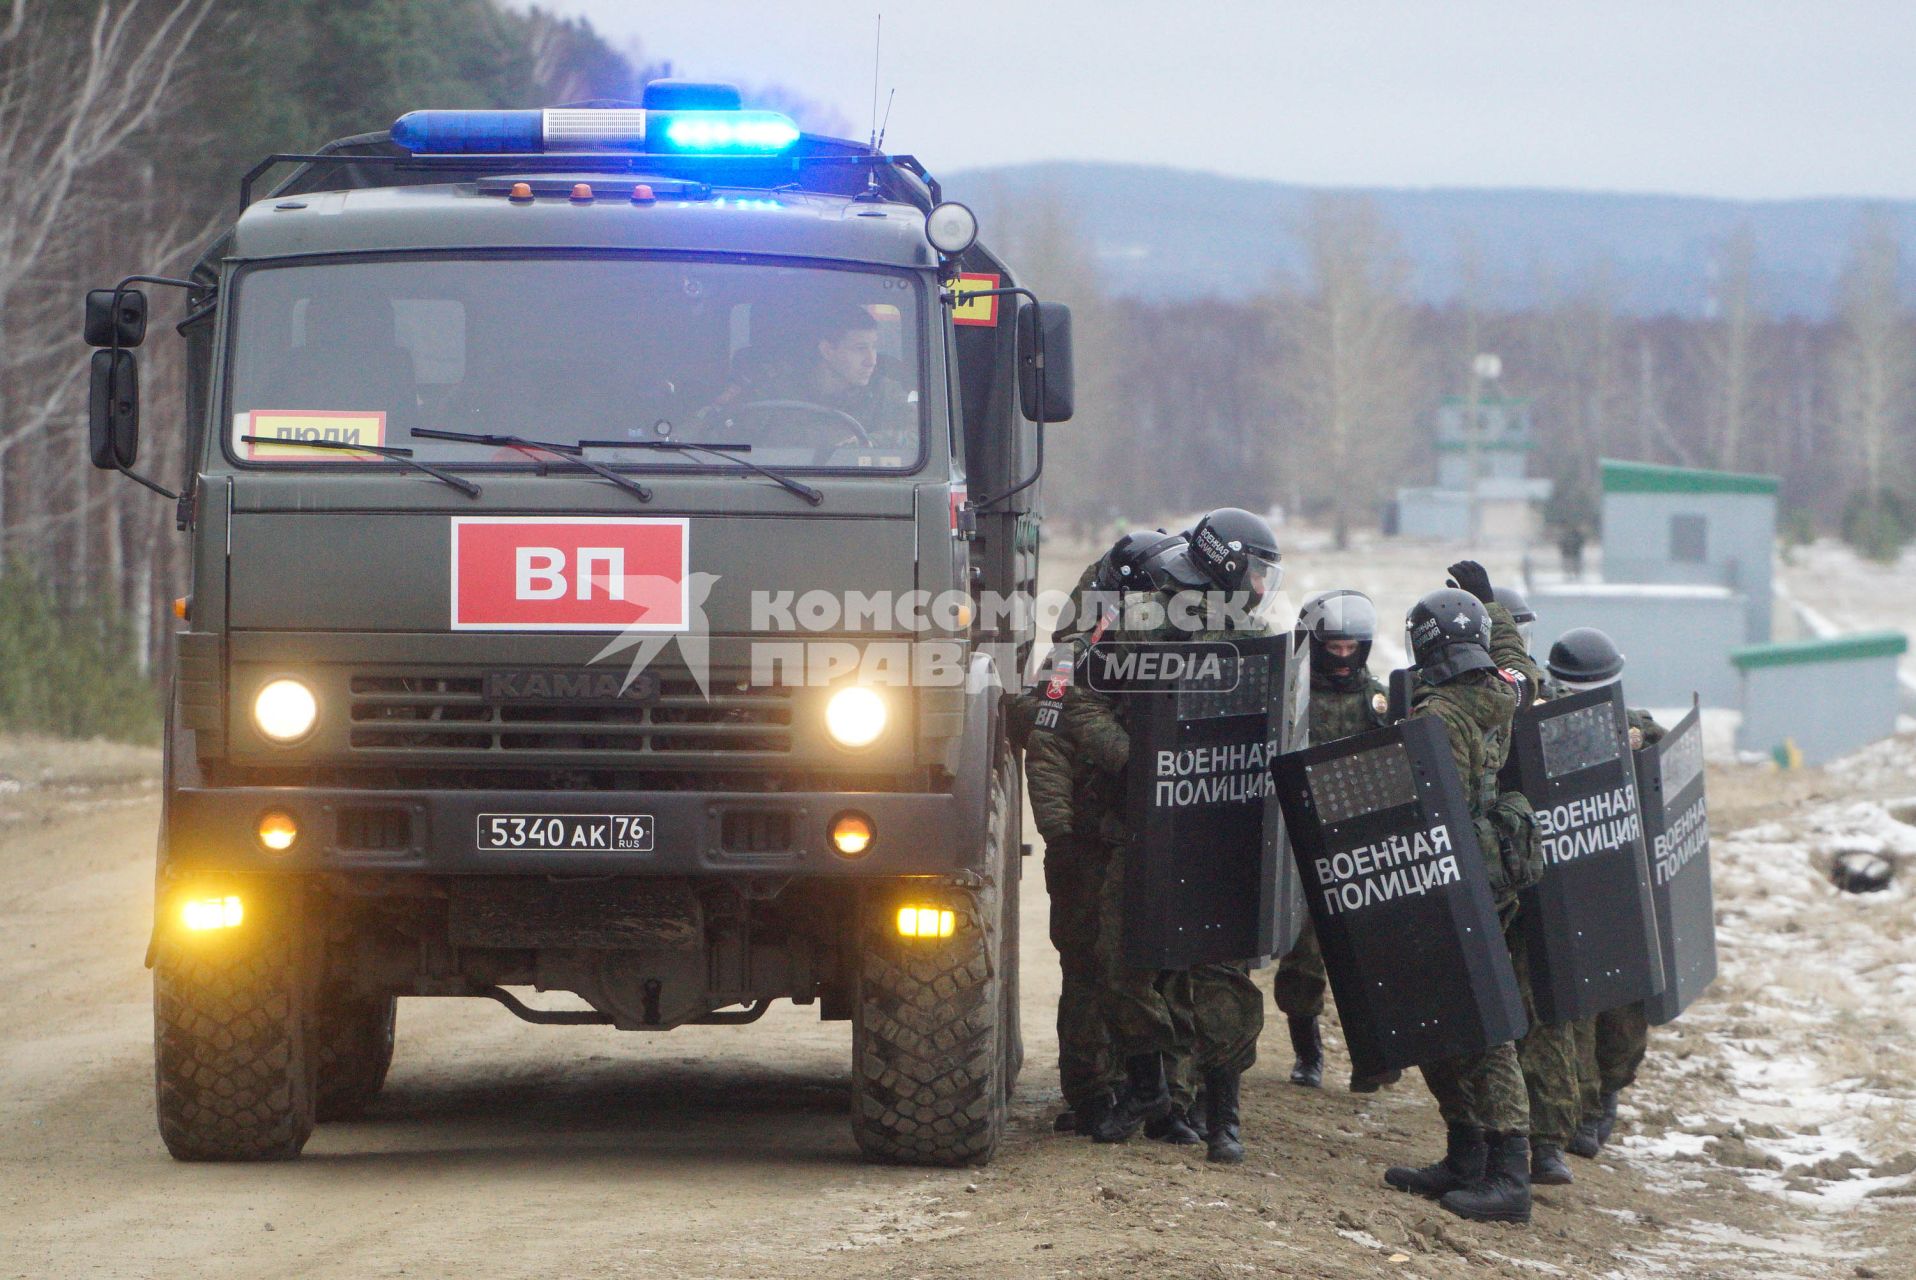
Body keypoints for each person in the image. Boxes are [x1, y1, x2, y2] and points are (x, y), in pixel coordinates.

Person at [1066, 507, 1282, 1164]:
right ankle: (1149, 1084)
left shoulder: (1254, 635)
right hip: (1144, 821)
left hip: (1221, 825)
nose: (1261, 585)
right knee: (1120, 961)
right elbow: (1080, 700)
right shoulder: (1143, 622)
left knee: (1218, 977)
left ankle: (1224, 1114)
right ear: (1222, 564)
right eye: (1254, 570)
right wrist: (1136, 762)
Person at [1015, 530, 1190, 1140]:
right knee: (1090, 968)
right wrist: (1061, 834)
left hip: (1141, 830)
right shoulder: (1074, 656)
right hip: (1089, 836)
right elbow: (1045, 741)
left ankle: (1161, 1096)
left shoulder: (1163, 638)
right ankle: (1092, 1092)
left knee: (1152, 970)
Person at [1383, 562, 1540, 1225]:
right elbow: (1515, 663)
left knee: (1478, 1026)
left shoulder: (1440, 714)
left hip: (1451, 875)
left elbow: (1421, 796)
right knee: (1468, 1017)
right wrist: (1489, 607)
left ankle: (1507, 1172)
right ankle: (1469, 1156)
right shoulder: (1505, 693)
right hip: (1491, 871)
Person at [1539, 627, 1666, 1159]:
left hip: (1619, 889)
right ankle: (1583, 1111)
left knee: (1622, 1020)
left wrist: (1627, 731)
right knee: (1573, 1017)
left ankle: (1608, 1092)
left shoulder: (1630, 727)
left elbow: (1658, 741)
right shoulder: (1538, 723)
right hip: (1564, 888)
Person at [1274, 589, 1396, 1093]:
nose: (1343, 658)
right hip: (1303, 837)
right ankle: (1308, 1051)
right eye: (1334, 648)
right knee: (1302, 958)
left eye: (1352, 649)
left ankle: (1377, 1056)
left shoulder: (1382, 699)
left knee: (1370, 958)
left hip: (1361, 840)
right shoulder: (1291, 695)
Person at [719, 306, 915, 451]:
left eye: (874, 347)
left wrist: (871, 443)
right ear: (827, 350)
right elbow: (725, 439)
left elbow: (922, 438)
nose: (871, 360)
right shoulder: (773, 391)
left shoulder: (885, 392)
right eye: (860, 349)